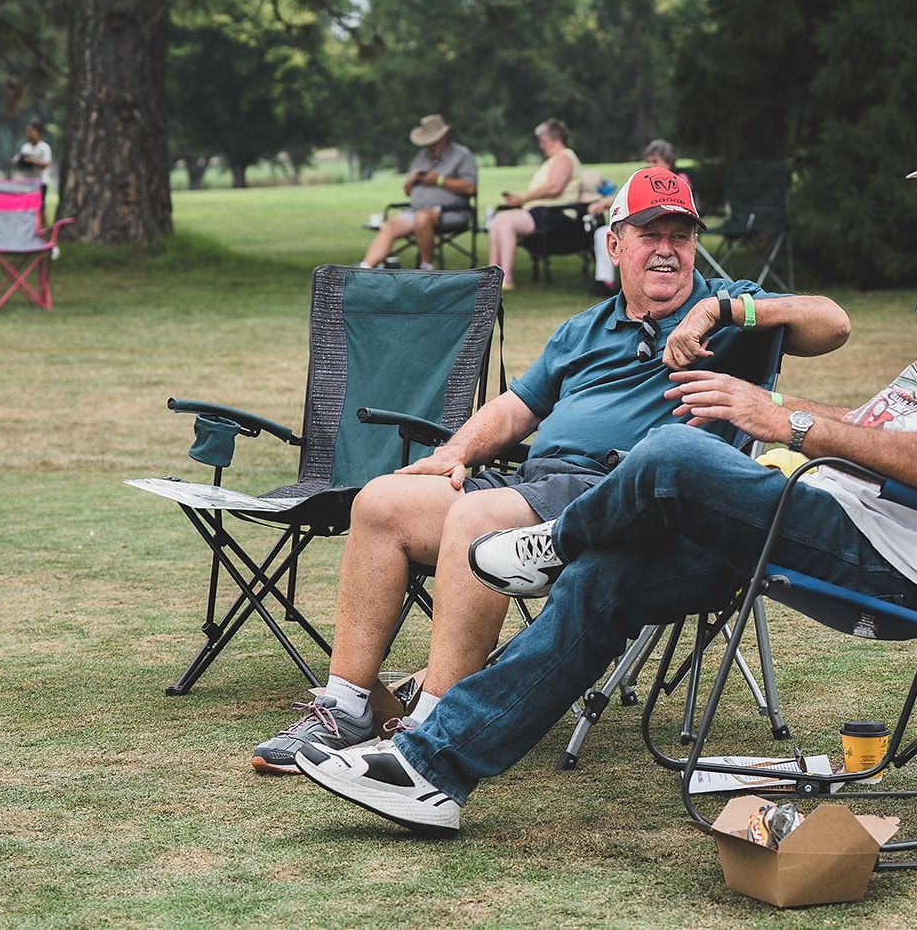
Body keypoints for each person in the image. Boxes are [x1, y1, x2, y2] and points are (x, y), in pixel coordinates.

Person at [290, 119, 917, 836]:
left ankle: (555, 544)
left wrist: (785, 417)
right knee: (606, 581)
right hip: (838, 512)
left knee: (678, 451)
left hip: (895, 559)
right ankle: (435, 767)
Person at [249, 165, 852, 775]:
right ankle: (346, 706)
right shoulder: (582, 330)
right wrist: (457, 452)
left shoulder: (733, 316)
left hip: (627, 497)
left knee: (479, 519)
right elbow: (516, 409)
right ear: (615, 244)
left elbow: (833, 322)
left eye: (681, 235)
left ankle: (430, 729)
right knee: (380, 502)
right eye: (650, 233)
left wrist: (722, 311)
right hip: (537, 485)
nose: (667, 250)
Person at [361, 114, 479, 271]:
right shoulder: (422, 156)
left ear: (444, 136)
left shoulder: (462, 155)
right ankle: (364, 268)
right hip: (416, 210)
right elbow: (407, 191)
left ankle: (425, 268)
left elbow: (470, 188)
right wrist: (412, 180)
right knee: (389, 226)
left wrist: (439, 181)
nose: (430, 145)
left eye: (433, 141)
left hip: (452, 212)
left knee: (423, 218)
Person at [486, 119, 582, 290]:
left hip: (556, 214)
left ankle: (506, 278)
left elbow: (554, 188)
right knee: (497, 220)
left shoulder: (565, 158)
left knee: (506, 222)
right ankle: (490, 275)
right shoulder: (554, 160)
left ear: (553, 139)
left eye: (543, 141)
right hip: (542, 211)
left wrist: (523, 197)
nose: (541, 146)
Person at [586, 139, 684, 297]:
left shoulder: (679, 180)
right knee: (602, 233)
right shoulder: (643, 178)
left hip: (663, 227)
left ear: (669, 161)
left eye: (655, 161)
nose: (651, 166)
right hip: (638, 225)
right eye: (648, 161)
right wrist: (604, 202)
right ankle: (606, 281)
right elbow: (627, 198)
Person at [12, 121, 53, 217]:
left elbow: (45, 164)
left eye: (32, 130)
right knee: (27, 206)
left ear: (39, 133)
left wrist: (31, 160)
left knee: (41, 205)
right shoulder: (25, 147)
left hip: (41, 182)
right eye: (28, 131)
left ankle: (43, 228)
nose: (30, 133)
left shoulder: (44, 147)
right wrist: (22, 161)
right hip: (28, 182)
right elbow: (16, 160)